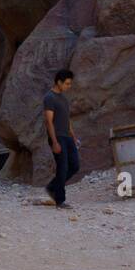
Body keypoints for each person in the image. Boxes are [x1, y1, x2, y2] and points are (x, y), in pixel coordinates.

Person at [43, 69, 81, 209]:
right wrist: (54, 142)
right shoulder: (49, 97)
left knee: (75, 166)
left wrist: (74, 137)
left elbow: (67, 120)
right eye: (66, 84)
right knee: (63, 167)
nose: (68, 86)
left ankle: (53, 186)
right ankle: (60, 200)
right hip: (57, 137)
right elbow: (49, 121)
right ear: (59, 82)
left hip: (67, 137)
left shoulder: (63, 99)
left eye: (70, 84)